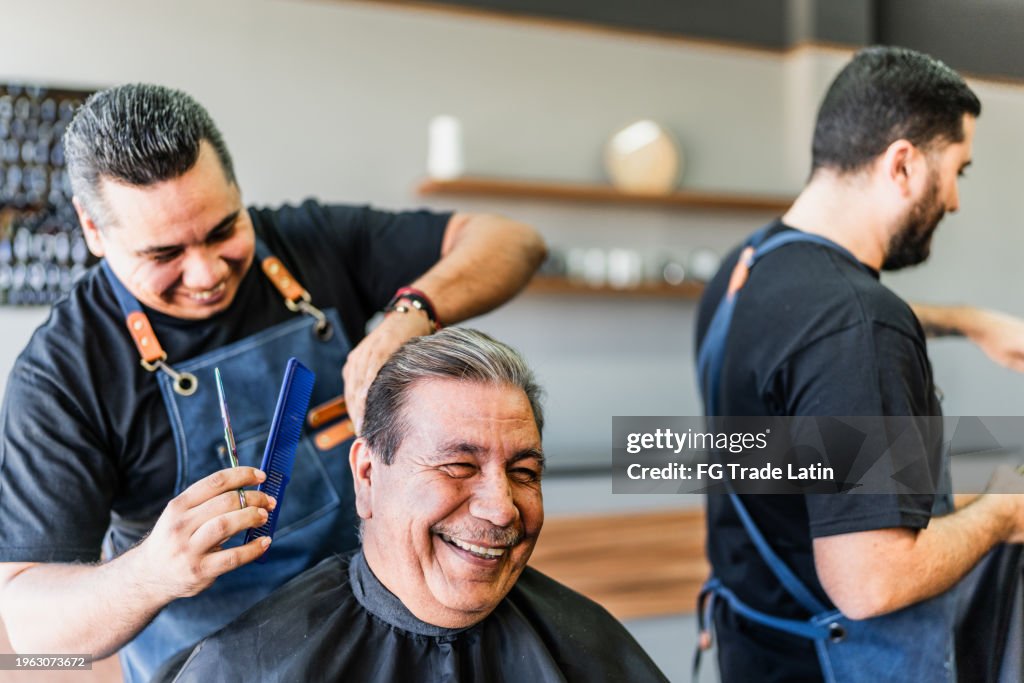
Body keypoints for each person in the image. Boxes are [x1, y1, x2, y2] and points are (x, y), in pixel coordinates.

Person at [0, 84, 546, 682]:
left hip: (378, 641)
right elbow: (31, 631)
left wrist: (412, 313)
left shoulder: (307, 242)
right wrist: (151, 573)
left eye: (223, 230)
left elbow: (515, 242)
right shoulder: (63, 376)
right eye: (164, 254)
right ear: (93, 229)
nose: (206, 273)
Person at [694, 46, 1024, 682]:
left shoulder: (747, 270)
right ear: (902, 164)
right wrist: (1004, 511)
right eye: (957, 170)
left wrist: (968, 320)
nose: (955, 200)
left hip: (755, 648)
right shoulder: (861, 324)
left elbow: (812, 337)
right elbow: (872, 582)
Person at [156, 327, 668, 682]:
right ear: (367, 475)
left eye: (523, 473)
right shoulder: (246, 667)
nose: (502, 509)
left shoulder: (590, 647)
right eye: (458, 465)